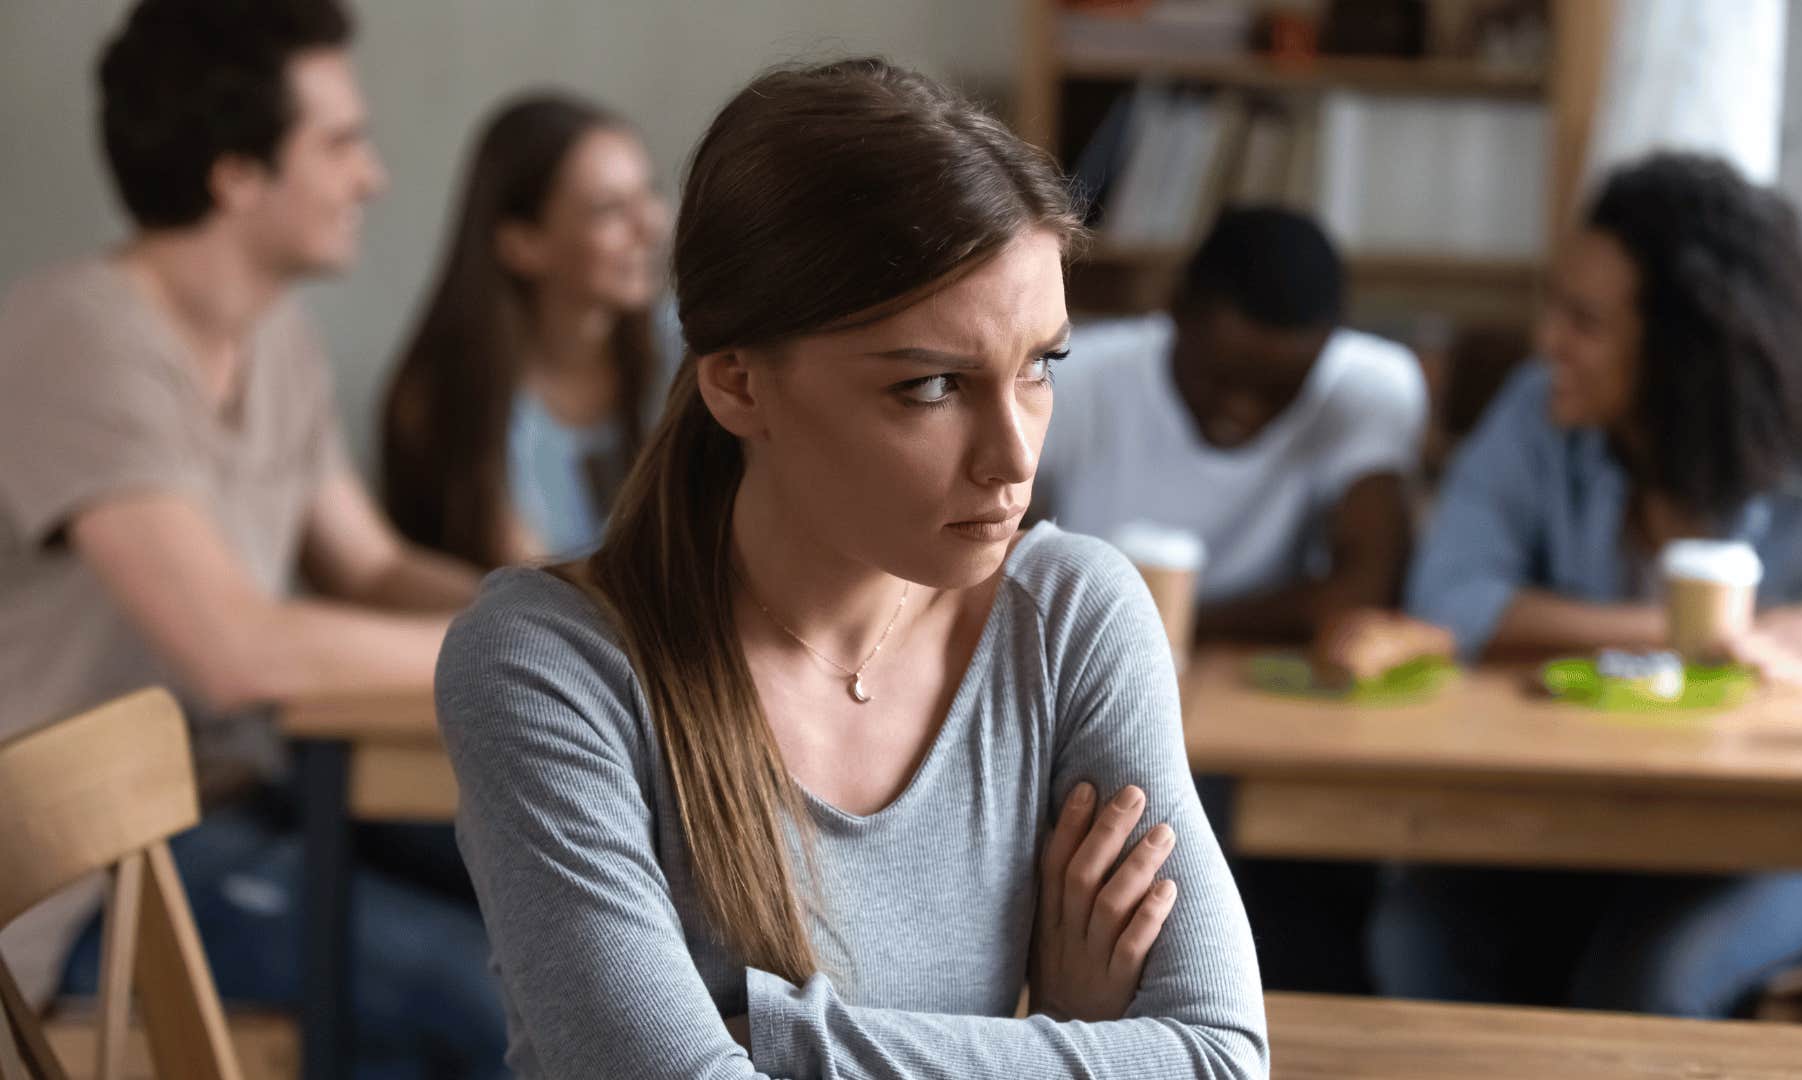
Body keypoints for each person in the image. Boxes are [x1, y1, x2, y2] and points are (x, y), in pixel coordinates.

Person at [434, 58, 1268, 1076]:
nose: (1014, 458)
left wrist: (773, 1037)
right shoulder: (549, 664)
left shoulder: (1070, 617)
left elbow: (1217, 1055)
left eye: (1041, 365)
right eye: (929, 386)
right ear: (739, 384)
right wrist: (1066, 1046)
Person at [0, 1, 506, 1073]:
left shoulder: (273, 337)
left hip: (242, 799)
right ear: (237, 173)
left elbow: (370, 564)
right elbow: (235, 652)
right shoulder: (73, 337)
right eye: (341, 143)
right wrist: (528, 647)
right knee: (481, 995)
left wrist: (558, 598)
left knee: (580, 911)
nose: (371, 177)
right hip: (78, 868)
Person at [1370, 152, 1802, 1018]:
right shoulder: (1536, 417)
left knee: (1647, 978)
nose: (1548, 339)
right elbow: (1452, 600)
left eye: (1584, 321)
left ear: (1684, 341)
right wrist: (1687, 635)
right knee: (1414, 935)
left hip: (1784, 841)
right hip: (1572, 823)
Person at [1038, 206, 1427, 644]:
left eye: (1281, 391)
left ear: (1330, 345)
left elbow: (1362, 596)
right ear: (1174, 312)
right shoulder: (1071, 376)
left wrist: (1152, 626)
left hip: (1223, 668)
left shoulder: (1369, 387)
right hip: (1084, 654)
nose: (1243, 410)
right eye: (1218, 379)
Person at [381, 92, 675, 569]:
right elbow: (532, 583)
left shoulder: (698, 354)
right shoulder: (453, 401)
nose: (652, 226)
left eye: (650, 192)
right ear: (521, 243)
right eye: (609, 209)